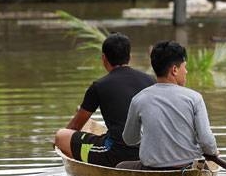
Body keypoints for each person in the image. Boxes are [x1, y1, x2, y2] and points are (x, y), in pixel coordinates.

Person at [54, 33, 155, 166]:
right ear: (129, 57)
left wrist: (56, 144)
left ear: (104, 58)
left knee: (61, 136)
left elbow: (75, 127)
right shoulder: (150, 80)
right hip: (151, 152)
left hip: (115, 154)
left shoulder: (99, 86)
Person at [121, 40, 219, 169]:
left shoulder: (139, 99)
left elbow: (129, 139)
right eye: (185, 67)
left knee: (121, 166)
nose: (186, 71)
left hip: (152, 169)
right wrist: (213, 152)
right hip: (188, 168)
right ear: (174, 70)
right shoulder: (194, 98)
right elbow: (206, 141)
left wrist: (149, 139)